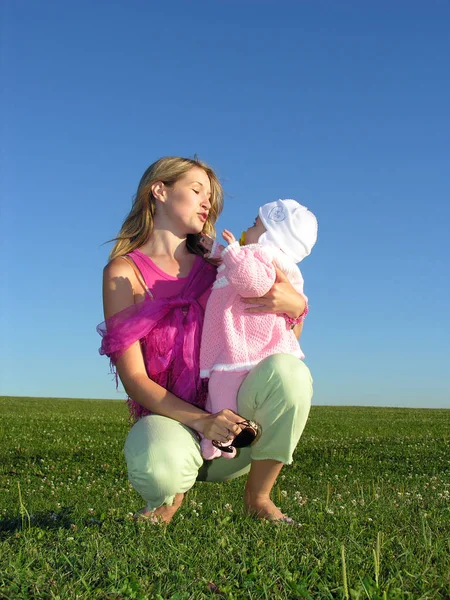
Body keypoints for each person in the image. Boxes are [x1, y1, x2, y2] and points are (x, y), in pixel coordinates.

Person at [98, 156, 313, 524]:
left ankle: (258, 497)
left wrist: (296, 306)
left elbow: (279, 343)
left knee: (290, 374)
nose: (207, 201)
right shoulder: (124, 272)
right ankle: (167, 498)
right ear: (160, 191)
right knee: (156, 462)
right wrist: (203, 421)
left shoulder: (226, 264)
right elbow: (134, 379)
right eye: (197, 190)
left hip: (240, 433)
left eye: (210, 196)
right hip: (177, 425)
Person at [199, 199, 317, 460]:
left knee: (221, 391)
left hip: (245, 348)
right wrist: (215, 251)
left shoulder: (262, 256)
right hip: (248, 348)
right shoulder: (255, 256)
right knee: (220, 393)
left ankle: (218, 441)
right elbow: (236, 267)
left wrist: (231, 252)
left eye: (255, 224)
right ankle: (217, 440)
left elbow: (251, 283)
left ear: (271, 236)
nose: (248, 227)